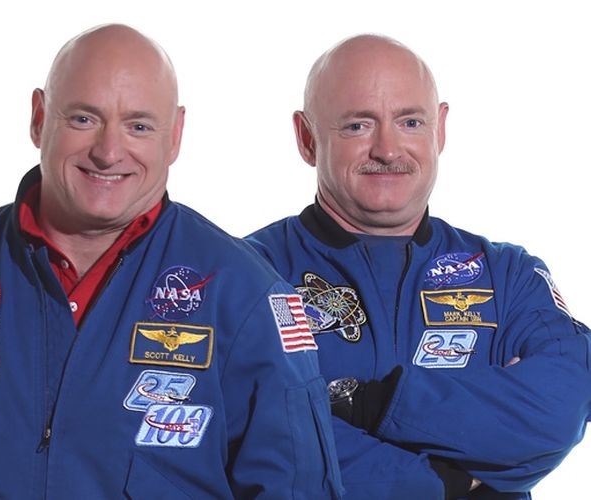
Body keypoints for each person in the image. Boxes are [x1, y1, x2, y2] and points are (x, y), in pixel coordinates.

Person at [0, 24, 342, 499]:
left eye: (138, 126)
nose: (108, 151)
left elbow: (296, 488)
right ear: (39, 117)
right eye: (83, 118)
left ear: (175, 135)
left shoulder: (245, 293)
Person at [247, 34, 591, 499]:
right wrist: (450, 480)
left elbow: (565, 399)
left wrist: (371, 404)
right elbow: (261, 438)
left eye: (410, 122)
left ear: (440, 129)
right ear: (307, 138)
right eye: (357, 126)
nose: (388, 150)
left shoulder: (508, 276)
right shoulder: (246, 276)